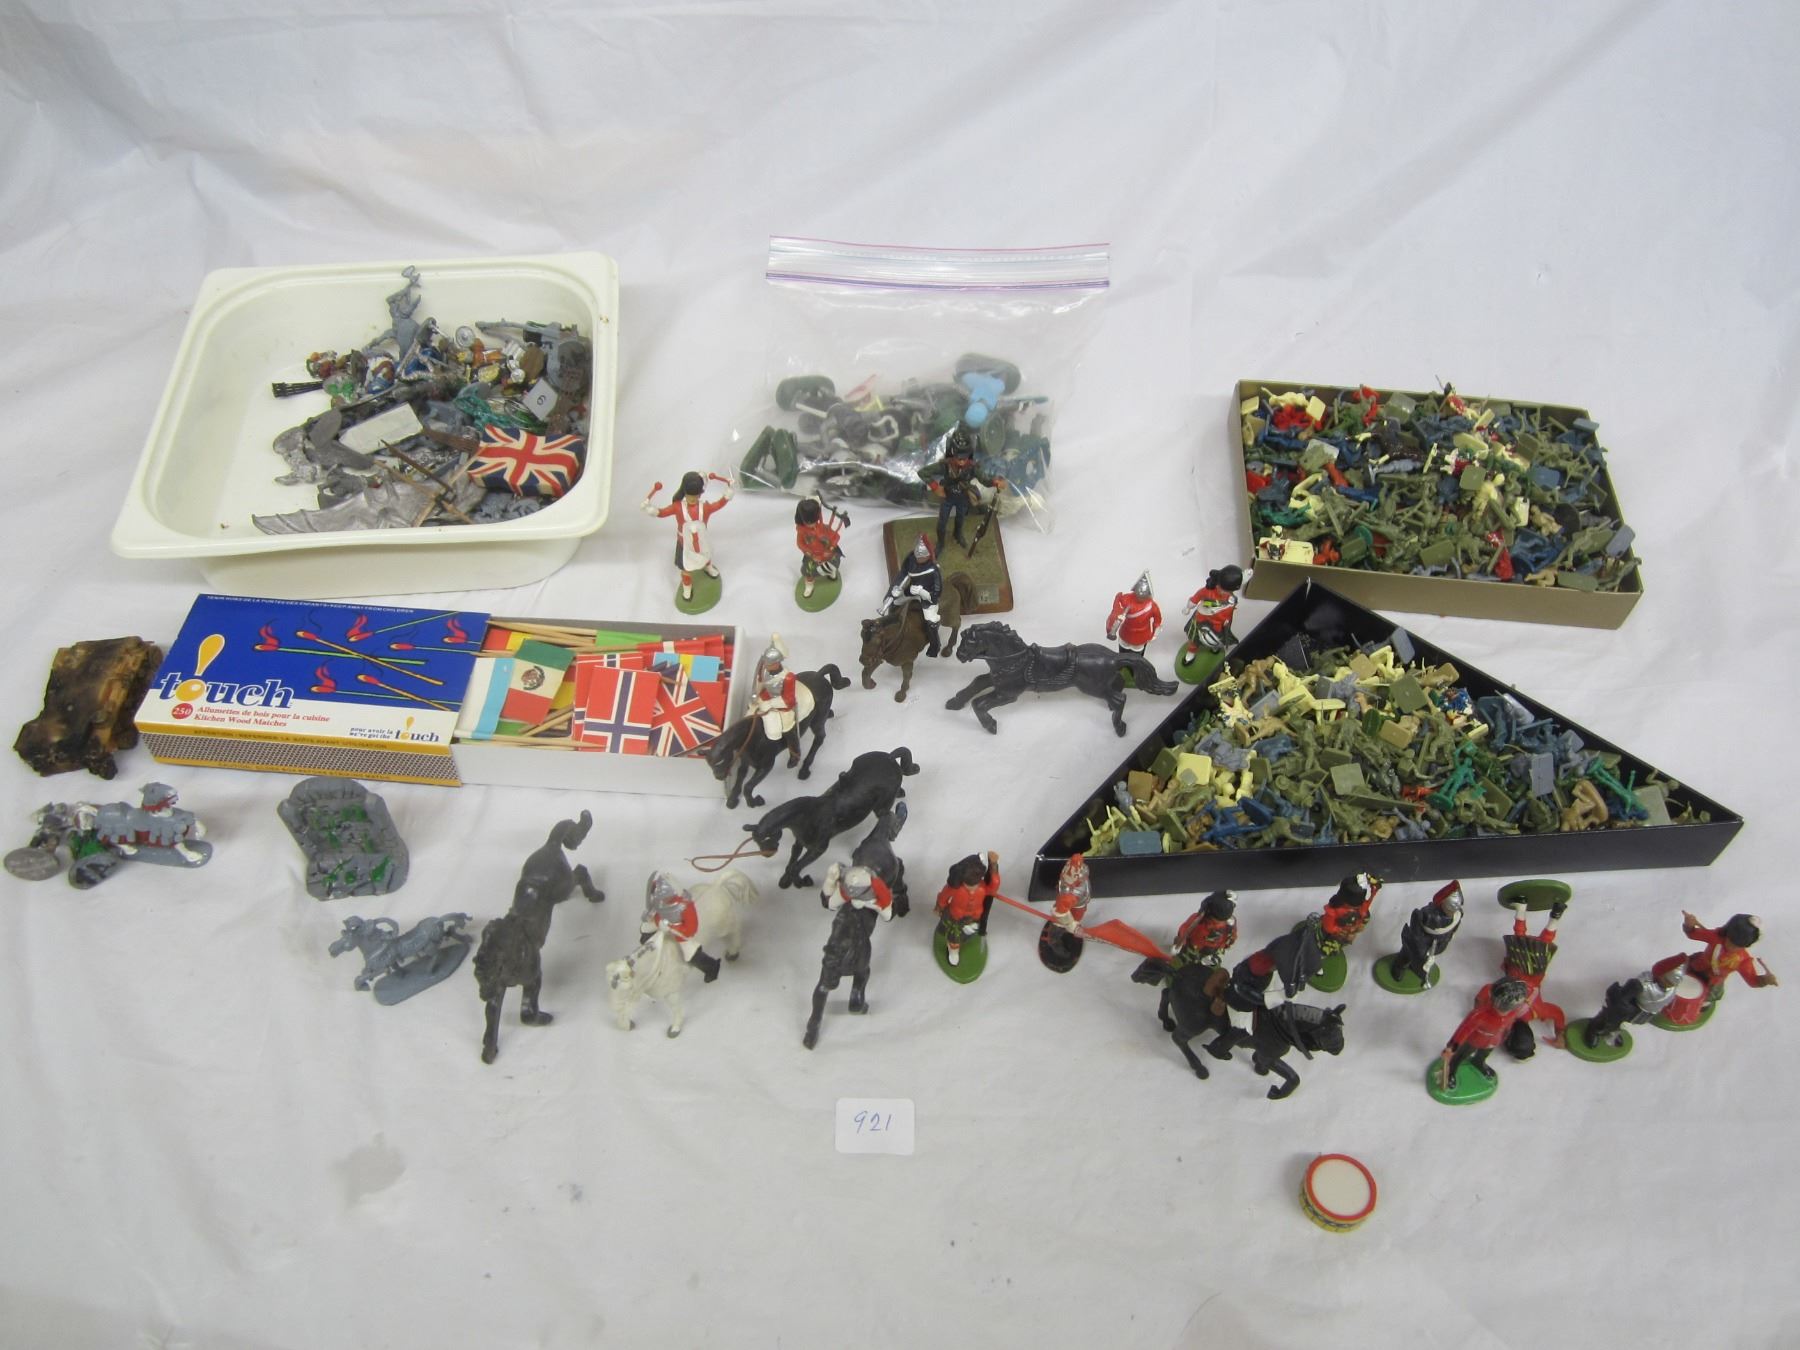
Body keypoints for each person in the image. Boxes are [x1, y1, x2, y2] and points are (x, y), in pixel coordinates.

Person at [641, 470, 733, 602]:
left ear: (700, 493)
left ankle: (707, 567)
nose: (692, 499)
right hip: (684, 543)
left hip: (702, 541)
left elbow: (718, 504)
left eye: (696, 496)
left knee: (706, 554)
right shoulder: (677, 507)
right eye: (690, 495)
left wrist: (728, 492)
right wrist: (651, 509)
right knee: (685, 568)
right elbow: (662, 513)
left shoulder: (705, 507)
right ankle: (687, 587)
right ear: (684, 492)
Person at [1437, 977, 1533, 1091]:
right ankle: (1451, 1072)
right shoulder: (1480, 1015)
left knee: (1483, 1054)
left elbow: (1509, 1023)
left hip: (1493, 1041)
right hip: (1474, 1040)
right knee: (1460, 1056)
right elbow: (1463, 1031)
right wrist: (1452, 1048)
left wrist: (1504, 1036)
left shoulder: (1513, 1012)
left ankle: (1478, 1062)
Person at [923, 426, 1003, 555]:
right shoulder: (945, 465)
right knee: (942, 523)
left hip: (962, 498)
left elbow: (984, 480)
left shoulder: (972, 467)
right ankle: (941, 543)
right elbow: (923, 472)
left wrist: (995, 482)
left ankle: (957, 535)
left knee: (960, 520)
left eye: (964, 458)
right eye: (958, 457)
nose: (961, 461)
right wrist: (935, 487)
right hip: (948, 497)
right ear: (953, 453)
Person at [640, 871, 722, 981]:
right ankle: (651, 948)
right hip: (659, 920)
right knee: (645, 928)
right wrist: (649, 915)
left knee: (690, 954)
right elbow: (655, 900)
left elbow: (691, 929)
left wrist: (672, 927)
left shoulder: (685, 907)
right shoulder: (660, 893)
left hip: (677, 931)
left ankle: (712, 967)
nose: (662, 900)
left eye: (664, 898)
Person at [876, 535, 946, 656]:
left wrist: (922, 592)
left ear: (927, 556)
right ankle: (892, 624)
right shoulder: (911, 559)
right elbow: (903, 575)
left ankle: (935, 645)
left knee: (931, 620)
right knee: (895, 602)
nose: (917, 559)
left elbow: (936, 594)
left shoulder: (934, 570)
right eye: (916, 556)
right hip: (911, 590)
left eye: (920, 557)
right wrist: (895, 592)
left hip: (927, 596)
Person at [1580, 967, 1682, 1050]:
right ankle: (1594, 1030)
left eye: (1671, 982)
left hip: (1641, 1012)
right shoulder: (1644, 982)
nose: (1668, 983)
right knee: (1607, 1019)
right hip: (1625, 1008)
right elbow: (1621, 999)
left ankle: (1613, 1032)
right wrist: (1622, 1009)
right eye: (1667, 980)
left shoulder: (1670, 991)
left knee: (1622, 1024)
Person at [1387, 880, 1465, 987]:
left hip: (1437, 944)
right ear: (1443, 904)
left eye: (1456, 907)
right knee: (1407, 953)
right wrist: (1420, 948)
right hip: (1421, 941)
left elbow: (1454, 927)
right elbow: (1416, 928)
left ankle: (1415, 965)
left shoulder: (1458, 915)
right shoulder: (1428, 915)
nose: (1453, 911)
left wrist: (1448, 938)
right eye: (1451, 907)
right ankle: (1399, 966)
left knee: (1422, 961)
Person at [935, 851, 1001, 968]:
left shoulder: (982, 888)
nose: (973, 887)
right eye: (969, 884)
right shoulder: (955, 888)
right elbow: (943, 896)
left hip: (973, 918)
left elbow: (993, 887)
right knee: (954, 938)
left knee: (969, 933)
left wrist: (994, 866)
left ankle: (961, 940)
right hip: (955, 917)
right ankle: (953, 952)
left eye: (976, 883)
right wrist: (940, 906)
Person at [747, 636, 803, 767]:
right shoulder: (764, 668)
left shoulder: (788, 677)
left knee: (788, 729)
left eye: (769, 664)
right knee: (749, 714)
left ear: (777, 663)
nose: (766, 666)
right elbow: (760, 681)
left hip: (781, 706)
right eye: (766, 663)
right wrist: (755, 693)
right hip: (764, 698)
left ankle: (795, 753)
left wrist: (770, 704)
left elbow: (788, 699)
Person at [1182, 565, 1244, 659]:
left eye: (1227, 591)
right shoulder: (1207, 591)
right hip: (1201, 620)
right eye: (1221, 589)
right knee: (1194, 638)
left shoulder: (1231, 599)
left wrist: (1226, 620)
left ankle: (1214, 647)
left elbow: (1229, 612)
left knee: (1216, 639)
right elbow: (1196, 598)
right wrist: (1188, 607)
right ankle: (1191, 651)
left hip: (1218, 625)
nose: (1223, 592)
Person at [794, 496, 846, 600]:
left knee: (832, 566)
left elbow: (836, 536)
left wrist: (831, 547)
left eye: (814, 520)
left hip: (828, 554)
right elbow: (800, 544)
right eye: (809, 522)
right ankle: (809, 586)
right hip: (813, 556)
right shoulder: (802, 531)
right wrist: (810, 553)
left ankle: (832, 574)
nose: (813, 524)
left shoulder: (823, 527)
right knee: (808, 571)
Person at [1171, 890, 1238, 970]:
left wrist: (1179, 941)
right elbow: (1232, 938)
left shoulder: (1198, 922)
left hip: (1192, 950)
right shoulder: (1231, 923)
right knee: (1211, 968)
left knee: (1179, 963)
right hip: (1214, 952)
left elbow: (1183, 931)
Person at [1105, 571, 1163, 656]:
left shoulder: (1152, 606)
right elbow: (1117, 607)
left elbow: (1157, 622)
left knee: (1137, 655)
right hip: (1126, 632)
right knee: (1123, 652)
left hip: (1141, 635)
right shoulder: (1126, 599)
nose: (1140, 597)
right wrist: (1118, 616)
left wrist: (1154, 634)